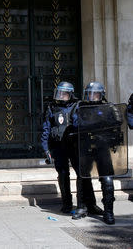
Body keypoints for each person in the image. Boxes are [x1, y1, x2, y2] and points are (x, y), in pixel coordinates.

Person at [40, 82, 103, 216]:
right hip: (58, 146)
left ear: (70, 94)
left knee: (83, 174)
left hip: (75, 146)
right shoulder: (52, 107)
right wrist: (46, 150)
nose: (61, 96)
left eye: (64, 93)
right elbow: (46, 129)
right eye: (60, 93)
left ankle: (90, 204)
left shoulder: (77, 106)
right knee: (63, 174)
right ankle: (67, 204)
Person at [72, 82, 121, 224]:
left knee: (107, 178)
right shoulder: (81, 107)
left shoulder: (109, 107)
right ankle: (81, 207)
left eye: (96, 94)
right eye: (90, 94)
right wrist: (97, 123)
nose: (92, 97)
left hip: (102, 146)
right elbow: (76, 123)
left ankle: (109, 212)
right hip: (86, 147)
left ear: (102, 95)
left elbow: (118, 122)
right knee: (82, 176)